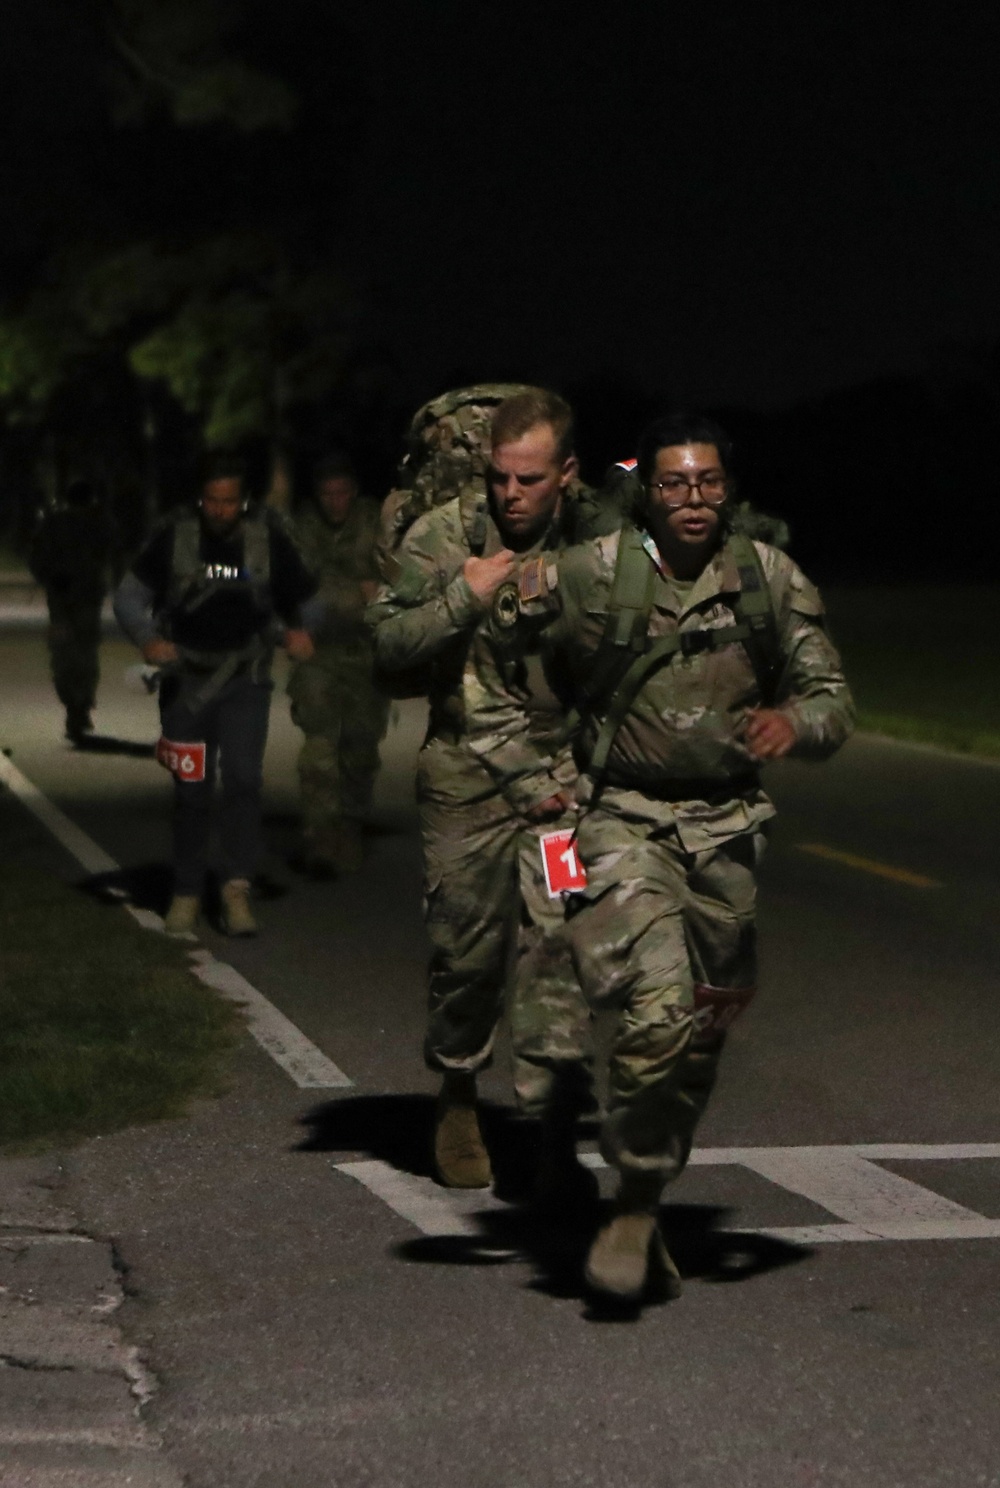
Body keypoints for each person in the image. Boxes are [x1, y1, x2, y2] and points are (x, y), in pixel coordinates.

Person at [506, 412, 854, 1300]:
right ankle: (624, 1209)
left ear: (727, 490)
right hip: (625, 820)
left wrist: (796, 723)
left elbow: (830, 696)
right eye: (672, 484)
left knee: (699, 1036)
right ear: (646, 493)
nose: (691, 499)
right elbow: (501, 660)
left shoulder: (768, 581)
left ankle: (642, 1191)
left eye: (706, 483)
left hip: (729, 833)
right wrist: (537, 772)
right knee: (658, 1012)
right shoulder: (590, 574)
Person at [367, 388, 619, 1195]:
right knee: (468, 953)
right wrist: (462, 596)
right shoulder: (444, 536)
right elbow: (386, 646)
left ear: (568, 473)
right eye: (500, 479)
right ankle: (459, 1091)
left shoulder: (602, 538)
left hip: (562, 784)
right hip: (466, 777)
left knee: (560, 940)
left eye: (530, 480)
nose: (511, 496)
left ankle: (549, 1116)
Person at [113, 453, 323, 937]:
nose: (221, 511)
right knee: (191, 792)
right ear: (200, 498)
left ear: (243, 500)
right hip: (186, 684)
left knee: (245, 783)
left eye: (230, 502)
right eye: (213, 501)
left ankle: (236, 889)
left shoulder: (266, 538)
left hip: (245, 679)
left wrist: (303, 631)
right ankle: (186, 891)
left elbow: (309, 598)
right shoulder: (175, 535)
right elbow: (128, 596)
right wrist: (148, 639)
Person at [287, 455, 389, 875]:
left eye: (343, 492)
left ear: (355, 491)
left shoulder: (375, 523)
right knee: (320, 746)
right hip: (319, 652)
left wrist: (376, 594)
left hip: (366, 652)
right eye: (327, 493)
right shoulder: (302, 527)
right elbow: (293, 583)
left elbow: (396, 579)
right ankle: (319, 833)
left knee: (361, 748)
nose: (335, 502)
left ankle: (351, 823)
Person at [28, 479, 117, 744]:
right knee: (85, 653)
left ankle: (74, 705)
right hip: (86, 598)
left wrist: (49, 578)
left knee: (65, 654)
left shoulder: (54, 522)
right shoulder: (99, 521)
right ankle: (81, 704)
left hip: (62, 601)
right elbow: (113, 553)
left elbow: (36, 558)